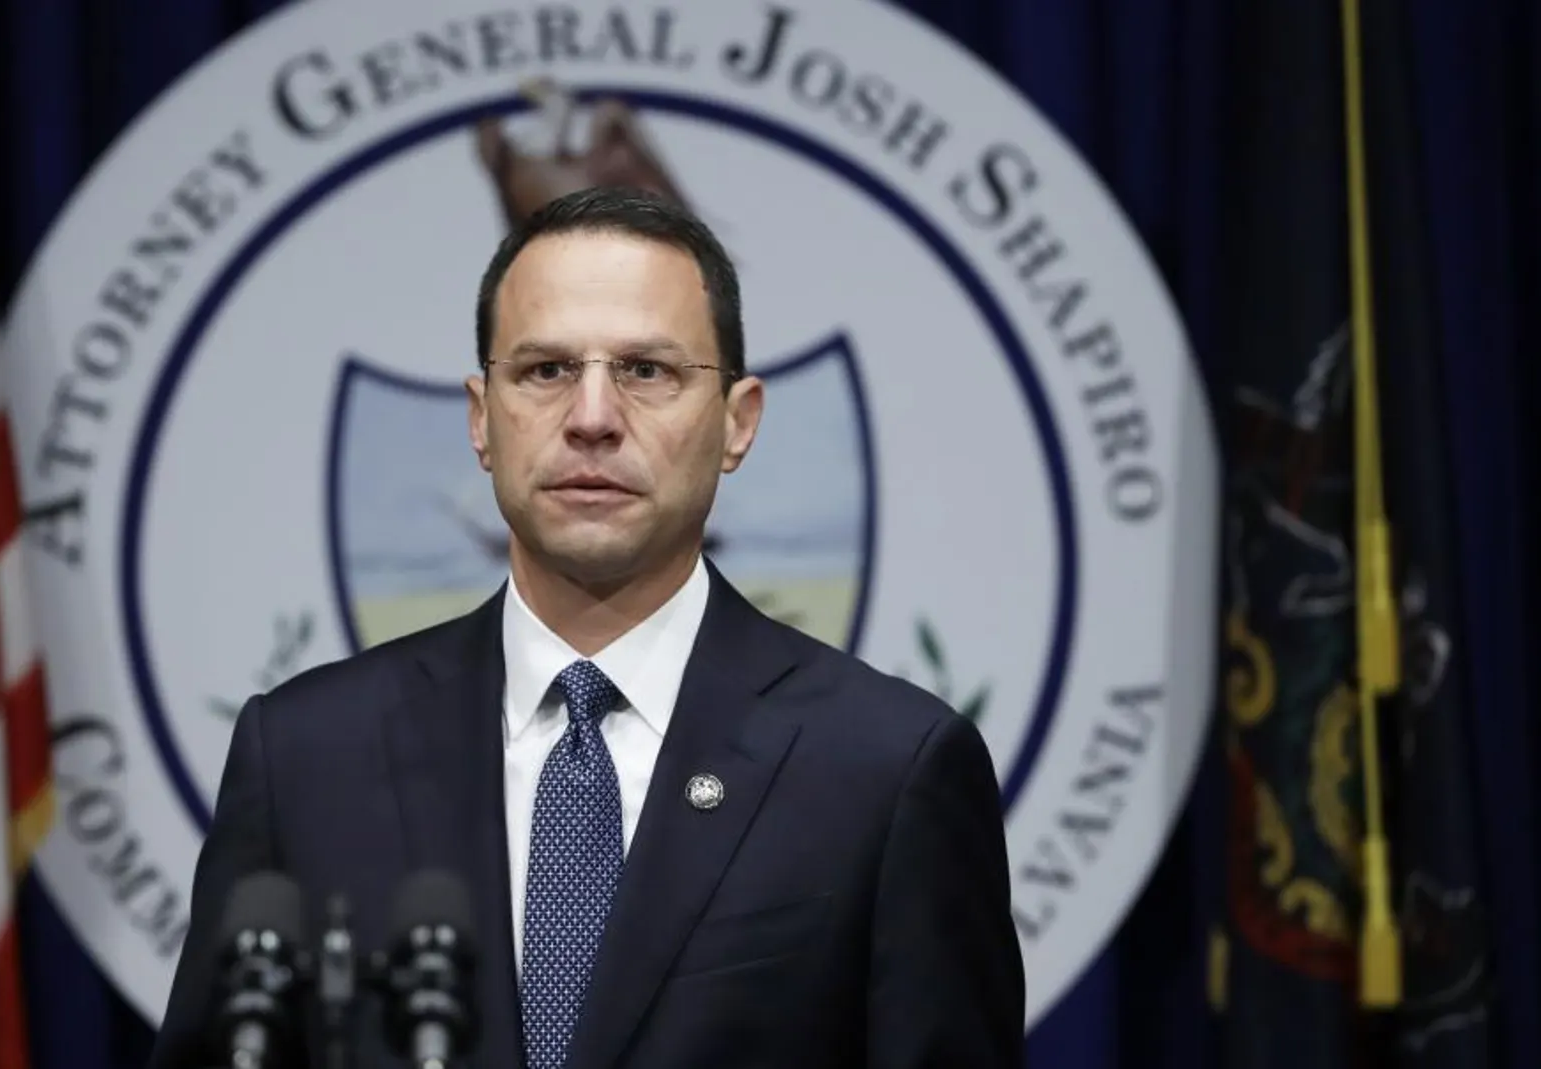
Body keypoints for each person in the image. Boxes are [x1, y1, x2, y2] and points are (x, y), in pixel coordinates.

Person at [149, 186, 1025, 1069]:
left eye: (647, 370)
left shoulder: (887, 770)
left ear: (738, 421)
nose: (593, 418)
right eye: (545, 370)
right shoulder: (305, 756)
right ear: (481, 418)